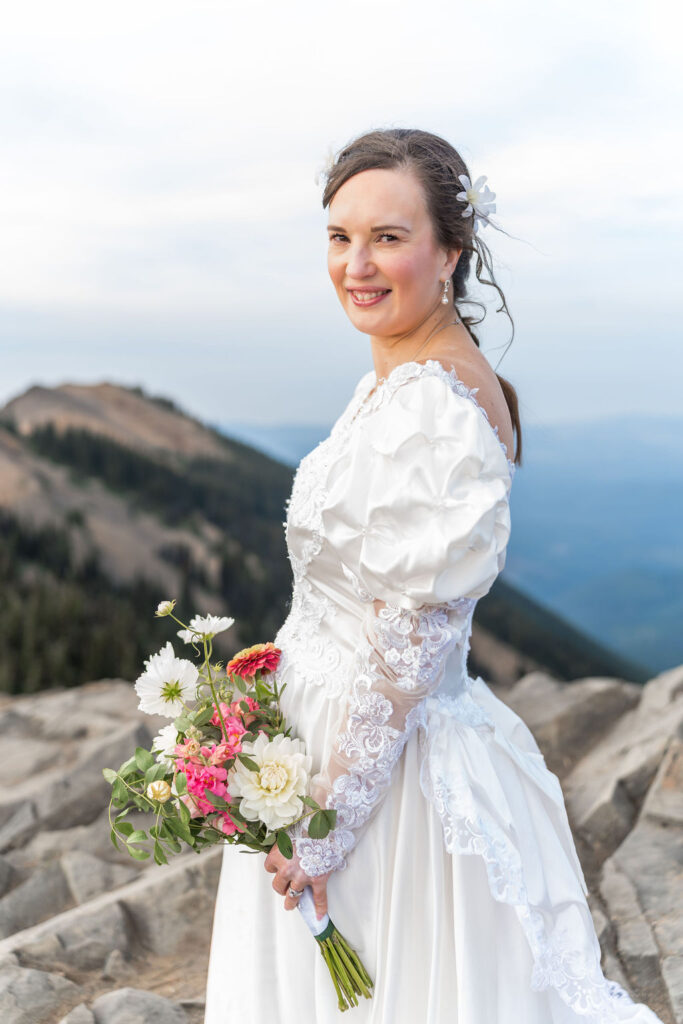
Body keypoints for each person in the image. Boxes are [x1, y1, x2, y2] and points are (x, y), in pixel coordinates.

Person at [204, 128, 664, 1023]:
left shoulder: (434, 406)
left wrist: (323, 823)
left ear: (450, 251)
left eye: (387, 236)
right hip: (317, 747)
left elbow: (411, 645)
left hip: (380, 785)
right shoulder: (396, 380)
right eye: (339, 238)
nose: (355, 265)